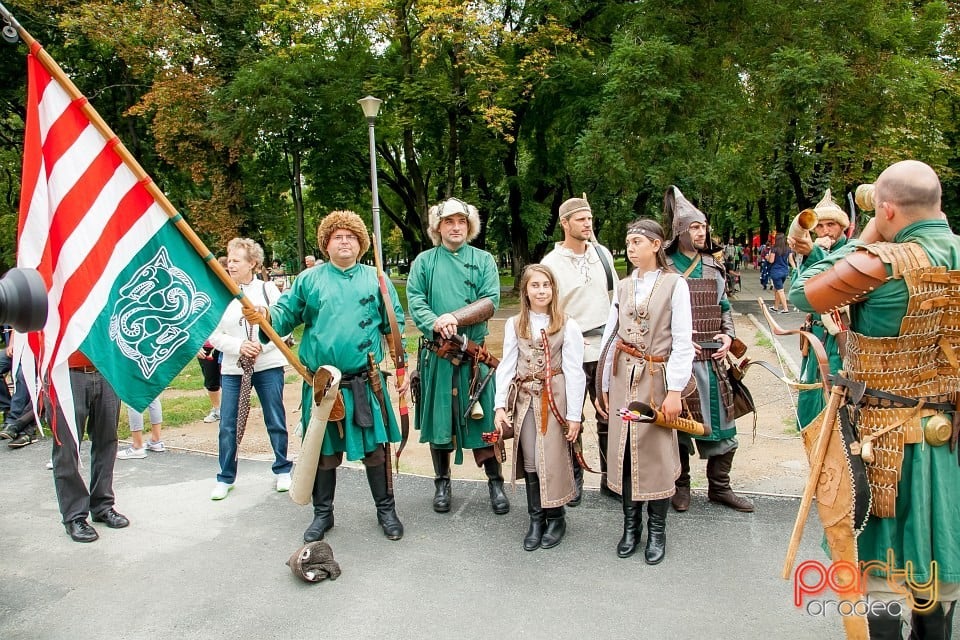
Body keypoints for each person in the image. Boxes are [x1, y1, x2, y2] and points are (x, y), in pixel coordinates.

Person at [789, 160, 960, 638]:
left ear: (885, 208)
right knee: (938, 577)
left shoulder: (880, 262)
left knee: (880, 582)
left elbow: (801, 294)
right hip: (949, 445)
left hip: (883, 447)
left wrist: (861, 239)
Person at [254, 210, 405, 542]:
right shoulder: (309, 280)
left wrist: (401, 364)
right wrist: (265, 316)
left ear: (361, 243)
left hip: (365, 382)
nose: (345, 241)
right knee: (323, 453)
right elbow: (284, 314)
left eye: (351, 236)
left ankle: (386, 510)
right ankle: (323, 515)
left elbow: (395, 326)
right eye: (338, 236)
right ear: (326, 244)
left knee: (375, 452)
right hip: (323, 385)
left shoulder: (376, 278)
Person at [597, 218, 694, 564]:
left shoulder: (675, 285)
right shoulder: (622, 287)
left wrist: (675, 391)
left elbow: (684, 342)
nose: (631, 247)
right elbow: (611, 338)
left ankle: (657, 530)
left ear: (656, 244)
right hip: (624, 378)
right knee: (623, 453)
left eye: (637, 241)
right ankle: (630, 526)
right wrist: (604, 385)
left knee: (654, 455)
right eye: (628, 242)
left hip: (656, 379)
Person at [407, 197, 508, 515]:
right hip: (438, 357)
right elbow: (415, 299)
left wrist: (454, 317)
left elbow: (490, 301)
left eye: (461, 222)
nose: (455, 227)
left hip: (473, 360)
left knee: (486, 424)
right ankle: (442, 481)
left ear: (469, 226)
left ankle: (495, 482)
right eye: (449, 222)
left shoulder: (484, 259)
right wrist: (435, 321)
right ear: (438, 227)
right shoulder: (424, 262)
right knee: (440, 423)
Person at [661, 186, 754, 513]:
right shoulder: (665, 268)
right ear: (680, 232)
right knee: (679, 429)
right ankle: (680, 486)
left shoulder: (714, 267)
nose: (701, 232)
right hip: (679, 364)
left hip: (713, 360)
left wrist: (728, 336)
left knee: (724, 429)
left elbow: (725, 307)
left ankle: (720, 488)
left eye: (703, 227)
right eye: (695, 227)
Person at [494, 264, 585, 551]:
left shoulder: (567, 324)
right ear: (525, 291)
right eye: (535, 285)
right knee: (532, 459)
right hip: (525, 399)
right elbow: (506, 367)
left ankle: (556, 517)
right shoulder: (515, 324)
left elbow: (574, 371)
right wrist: (499, 407)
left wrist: (573, 416)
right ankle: (536, 519)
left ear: (553, 289)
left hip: (554, 399)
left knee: (554, 458)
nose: (541, 290)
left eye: (546, 285)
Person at [541, 195, 618, 500]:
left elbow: (614, 300)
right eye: (581, 219)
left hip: (605, 349)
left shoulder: (603, 254)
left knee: (608, 415)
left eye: (589, 218)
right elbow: (548, 309)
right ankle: (573, 482)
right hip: (570, 349)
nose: (588, 224)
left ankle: (610, 479)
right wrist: (569, 337)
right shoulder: (550, 264)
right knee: (570, 417)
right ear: (565, 223)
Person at [208, 238, 292, 500]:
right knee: (228, 424)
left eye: (236, 260)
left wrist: (259, 346)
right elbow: (214, 333)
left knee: (275, 418)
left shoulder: (268, 290)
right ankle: (225, 476)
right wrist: (238, 346)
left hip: (268, 366)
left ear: (252, 263)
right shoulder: (220, 293)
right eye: (229, 260)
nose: (230, 265)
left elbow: (284, 324)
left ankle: (282, 469)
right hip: (234, 369)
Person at [48, 350, 129, 542]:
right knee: (66, 447)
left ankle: (102, 504)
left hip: (105, 369)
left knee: (107, 441)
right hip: (66, 373)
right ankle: (74, 515)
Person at [786, 189, 850, 431]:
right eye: (820, 226)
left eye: (831, 225)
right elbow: (799, 291)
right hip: (815, 337)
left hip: (840, 338)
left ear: (842, 227)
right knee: (811, 396)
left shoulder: (851, 249)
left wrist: (815, 253)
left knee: (835, 394)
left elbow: (834, 282)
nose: (825, 231)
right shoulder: (811, 251)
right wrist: (806, 256)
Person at [766, 233, 792, 313]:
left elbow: (771, 261)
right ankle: (776, 307)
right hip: (784, 271)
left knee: (780, 290)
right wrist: (795, 269)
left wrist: (767, 257)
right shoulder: (788, 249)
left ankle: (785, 309)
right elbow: (791, 260)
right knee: (777, 289)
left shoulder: (774, 249)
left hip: (776, 271)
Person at [197, 340, 222, 423]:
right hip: (206, 347)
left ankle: (234, 410)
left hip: (226, 344)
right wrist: (196, 346)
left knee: (232, 378)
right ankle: (217, 410)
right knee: (211, 381)